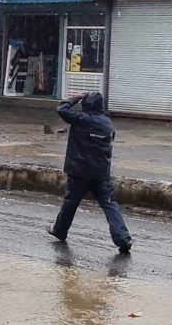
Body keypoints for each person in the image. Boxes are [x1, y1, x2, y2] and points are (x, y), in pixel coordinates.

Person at [48, 92, 133, 254]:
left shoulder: (81, 119)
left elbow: (61, 109)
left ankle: (60, 230)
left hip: (79, 171)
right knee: (109, 204)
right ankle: (123, 238)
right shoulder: (107, 123)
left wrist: (76, 97)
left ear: (86, 105)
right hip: (100, 174)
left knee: (70, 203)